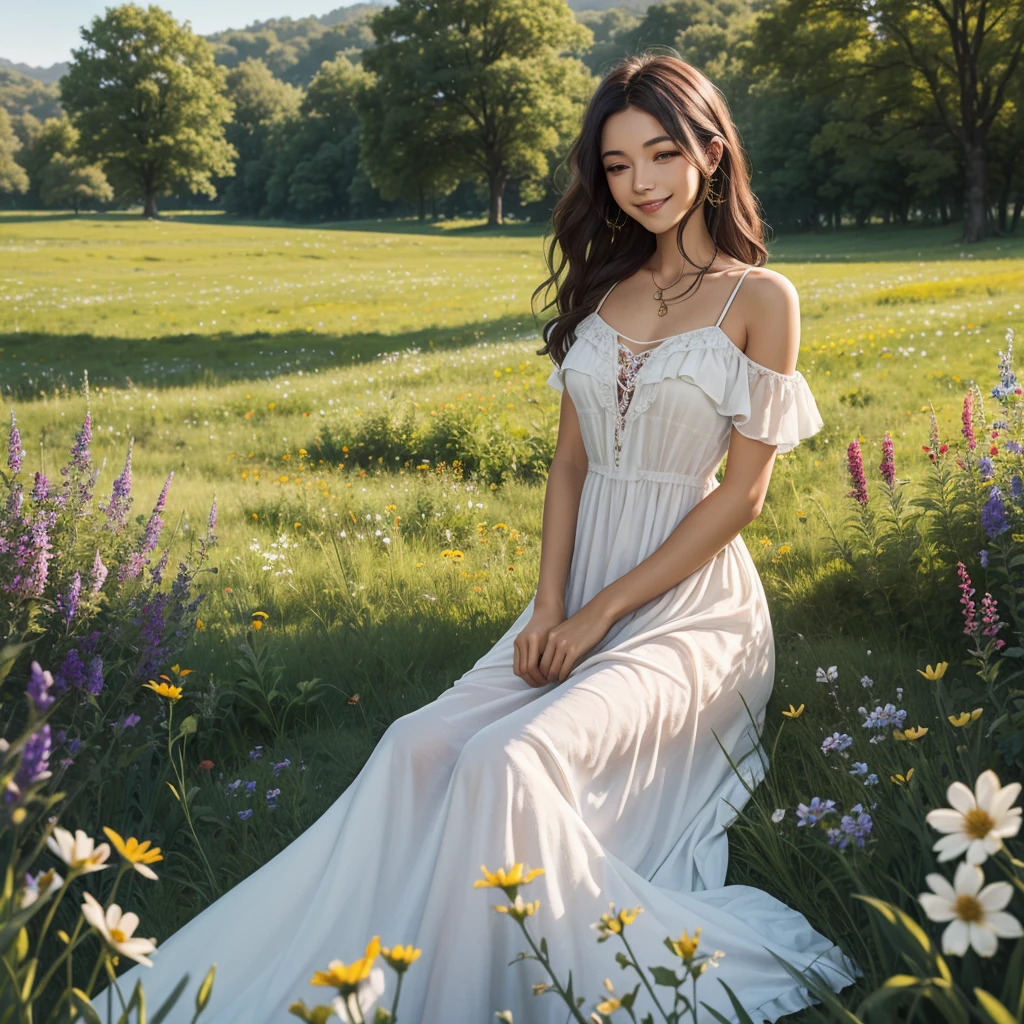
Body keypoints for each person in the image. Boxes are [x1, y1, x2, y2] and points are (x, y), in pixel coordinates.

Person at [90, 51, 857, 1024]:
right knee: (414, 745)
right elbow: (571, 465)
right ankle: (366, 962)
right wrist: (549, 607)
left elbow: (743, 496)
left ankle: (495, 992)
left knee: (507, 761)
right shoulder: (606, 287)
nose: (643, 183)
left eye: (661, 153)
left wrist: (596, 619)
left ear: (710, 150)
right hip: (574, 589)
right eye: (617, 165)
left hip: (690, 611)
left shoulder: (762, 298)